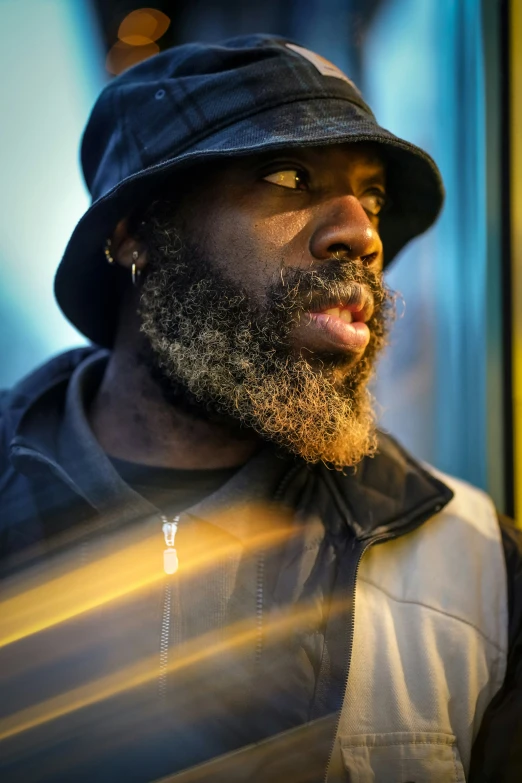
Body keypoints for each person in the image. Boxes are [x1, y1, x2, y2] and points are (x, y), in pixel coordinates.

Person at [0, 34, 520, 783]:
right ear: (134, 232)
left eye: (371, 197)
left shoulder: (477, 568)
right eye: (288, 173)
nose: (363, 233)